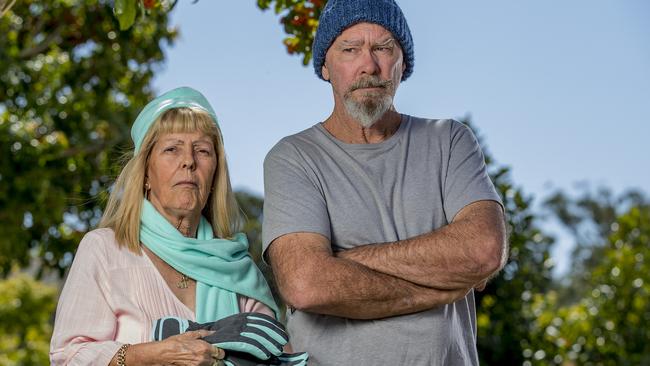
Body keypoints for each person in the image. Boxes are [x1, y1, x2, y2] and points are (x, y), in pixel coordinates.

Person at [262, 0, 508, 365]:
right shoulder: (294, 157)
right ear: (326, 67)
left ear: (402, 63)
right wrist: (444, 286)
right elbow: (306, 284)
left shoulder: (450, 141)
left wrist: (348, 260)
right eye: (350, 49)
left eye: (383, 48)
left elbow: (485, 249)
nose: (369, 65)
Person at [50, 87, 290, 366]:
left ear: (214, 176)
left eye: (202, 150)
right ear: (146, 175)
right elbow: (68, 357)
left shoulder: (238, 267)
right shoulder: (104, 249)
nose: (188, 161)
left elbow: (273, 357)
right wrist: (155, 354)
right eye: (172, 149)